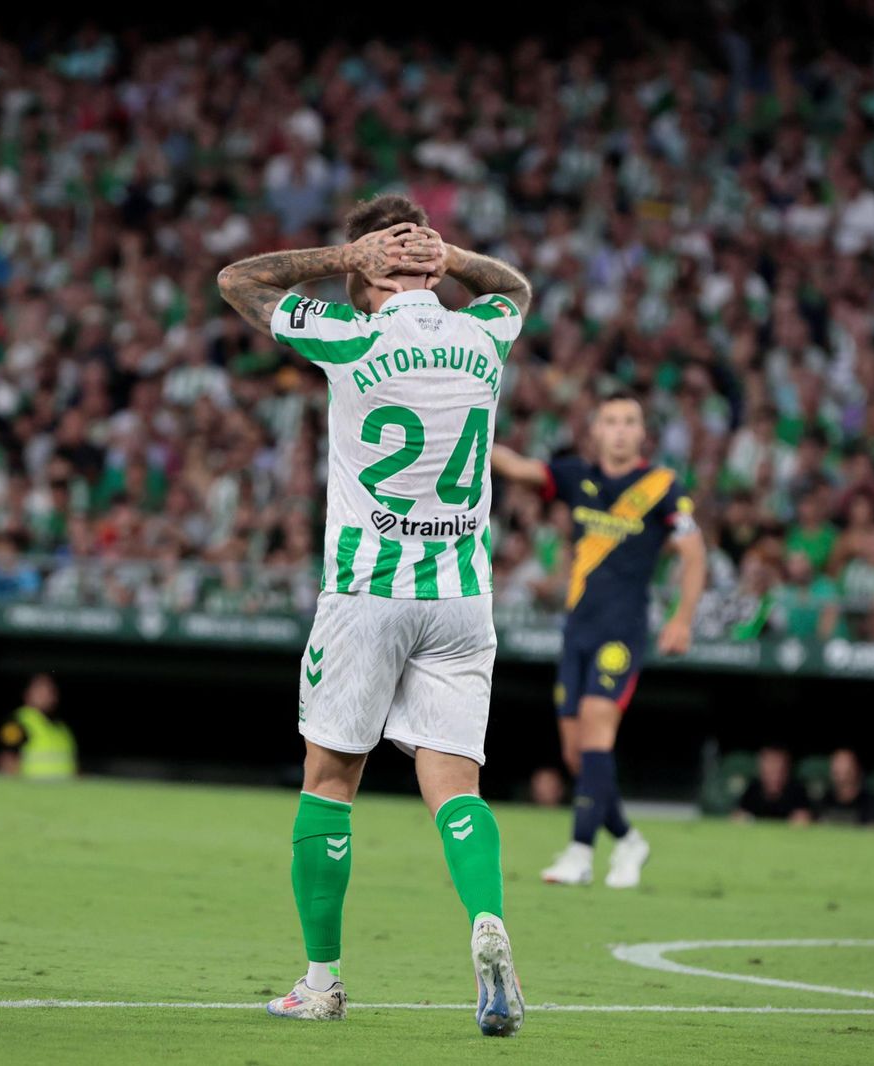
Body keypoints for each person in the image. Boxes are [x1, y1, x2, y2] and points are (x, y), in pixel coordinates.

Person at [217, 194, 530, 1034]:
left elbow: (237, 281)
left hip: (368, 593)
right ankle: (486, 919)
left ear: (367, 275)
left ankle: (322, 983)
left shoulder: (350, 336)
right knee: (456, 786)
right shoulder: (484, 334)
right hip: (462, 598)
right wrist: (453, 259)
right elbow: (516, 289)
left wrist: (342, 256)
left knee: (330, 782)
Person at [491, 393, 706, 888]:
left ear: (643, 433)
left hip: (622, 631)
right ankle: (628, 840)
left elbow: (694, 554)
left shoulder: (662, 486)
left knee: (596, 730)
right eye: (611, 421)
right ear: (595, 431)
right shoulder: (574, 476)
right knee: (577, 755)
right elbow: (519, 468)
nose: (621, 430)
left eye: (630, 421)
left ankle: (580, 852)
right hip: (578, 630)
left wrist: (682, 618)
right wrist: (467, 431)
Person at [0, 673, 76, 780]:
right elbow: (7, 761)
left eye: (50, 690)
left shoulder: (62, 728)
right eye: (40, 689)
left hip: (65, 788)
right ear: (27, 694)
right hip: (30, 788)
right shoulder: (18, 722)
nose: (46, 694)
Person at [732, 746, 812, 824]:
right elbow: (739, 815)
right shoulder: (753, 789)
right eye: (770, 772)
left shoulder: (797, 790)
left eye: (780, 771)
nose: (775, 777)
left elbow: (805, 817)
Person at [816, 748, 874, 826]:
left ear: (856, 769)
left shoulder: (873, 804)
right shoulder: (824, 801)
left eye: (847, 771)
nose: (841, 777)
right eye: (836, 772)